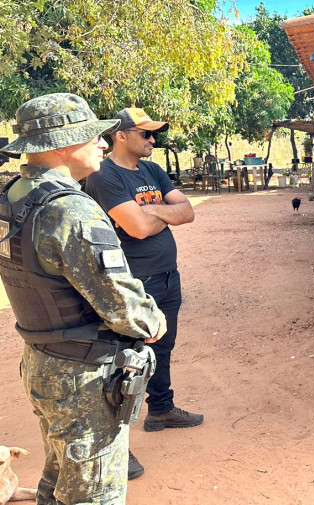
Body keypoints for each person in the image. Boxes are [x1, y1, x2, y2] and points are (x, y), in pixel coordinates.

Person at [0, 93, 167, 504]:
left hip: (43, 361)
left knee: (57, 482)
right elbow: (120, 302)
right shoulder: (70, 209)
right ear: (60, 144)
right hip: (83, 376)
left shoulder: (13, 195)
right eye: (92, 136)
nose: (104, 144)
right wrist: (152, 321)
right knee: (93, 494)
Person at [83, 108, 202, 475]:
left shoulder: (152, 170)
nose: (153, 141)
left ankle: (161, 410)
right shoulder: (104, 175)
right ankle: (116, 447)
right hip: (133, 283)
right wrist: (161, 210)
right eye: (146, 134)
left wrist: (153, 210)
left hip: (167, 277)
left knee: (161, 349)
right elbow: (135, 228)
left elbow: (188, 212)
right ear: (121, 135)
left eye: (155, 135)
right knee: (125, 362)